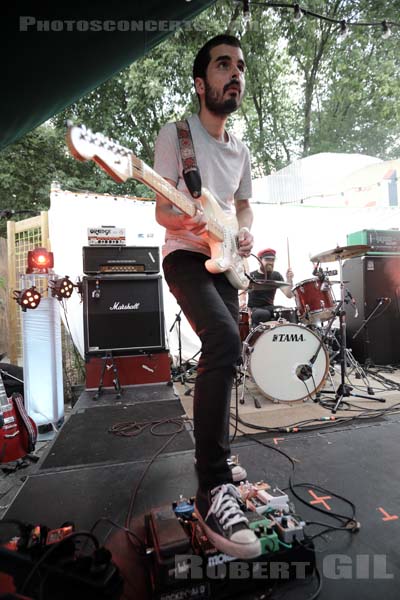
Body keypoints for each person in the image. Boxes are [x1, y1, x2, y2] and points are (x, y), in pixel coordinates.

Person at [154, 35, 261, 559]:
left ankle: (218, 453)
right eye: (223, 65)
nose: (235, 73)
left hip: (225, 261)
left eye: (239, 66)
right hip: (184, 257)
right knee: (221, 339)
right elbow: (162, 213)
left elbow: (243, 208)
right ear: (201, 83)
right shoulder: (177, 136)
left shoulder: (240, 150)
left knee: (228, 349)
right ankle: (211, 486)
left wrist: (241, 233)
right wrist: (188, 215)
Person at [247, 248, 294, 328]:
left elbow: (289, 295)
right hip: (256, 309)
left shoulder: (276, 275)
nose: (270, 262)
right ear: (259, 261)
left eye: (272, 260)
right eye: (267, 259)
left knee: (287, 312)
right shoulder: (251, 276)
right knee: (263, 314)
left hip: (270, 307)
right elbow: (242, 294)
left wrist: (289, 279)